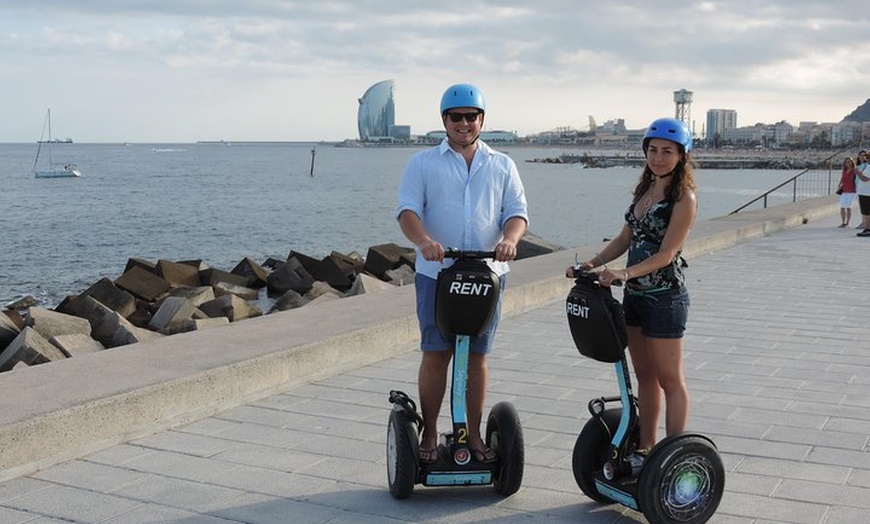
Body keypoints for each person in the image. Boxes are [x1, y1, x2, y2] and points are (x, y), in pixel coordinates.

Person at [396, 83, 529, 464]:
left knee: (476, 357)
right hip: (437, 275)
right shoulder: (422, 163)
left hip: (488, 274)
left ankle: (472, 436)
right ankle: (430, 435)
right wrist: (423, 241)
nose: (465, 123)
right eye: (457, 117)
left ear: (482, 120)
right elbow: (407, 211)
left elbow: (516, 212)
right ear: (444, 121)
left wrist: (510, 239)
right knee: (436, 353)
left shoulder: (502, 164)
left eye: (472, 116)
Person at [568, 117, 697, 463]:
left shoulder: (683, 198)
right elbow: (626, 238)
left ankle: (674, 454)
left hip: (665, 298)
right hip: (635, 298)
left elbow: (667, 253)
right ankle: (647, 447)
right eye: (653, 150)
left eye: (667, 152)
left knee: (670, 380)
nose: (658, 158)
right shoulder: (644, 191)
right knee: (645, 377)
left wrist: (625, 273)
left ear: (681, 156)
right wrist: (590, 265)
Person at [837, 157, 858, 228]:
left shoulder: (854, 170)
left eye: (849, 162)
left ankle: (847, 223)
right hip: (844, 190)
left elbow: (857, 180)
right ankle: (843, 222)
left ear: (852, 162)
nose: (848, 163)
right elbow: (842, 178)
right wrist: (839, 184)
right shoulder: (844, 170)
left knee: (848, 207)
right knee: (842, 207)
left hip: (852, 191)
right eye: (846, 162)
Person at [856, 150, 870, 237]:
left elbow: (865, 179)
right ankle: (866, 228)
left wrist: (858, 172)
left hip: (866, 193)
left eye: (867, 156)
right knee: (866, 212)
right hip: (865, 192)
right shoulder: (868, 166)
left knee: (866, 212)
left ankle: (867, 229)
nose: (866, 158)